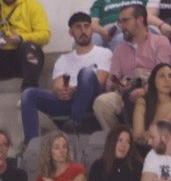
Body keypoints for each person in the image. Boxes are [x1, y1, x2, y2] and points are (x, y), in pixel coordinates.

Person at [22, 12, 114, 143]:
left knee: (86, 73)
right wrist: (61, 90)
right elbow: (57, 84)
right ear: (71, 32)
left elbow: (100, 81)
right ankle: (31, 144)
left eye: (86, 26)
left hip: (92, 99)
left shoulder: (104, 53)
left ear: (91, 30)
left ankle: (74, 123)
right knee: (28, 94)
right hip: (68, 101)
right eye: (78, 27)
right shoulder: (63, 59)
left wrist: (76, 90)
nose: (83, 31)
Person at [92, 3, 171, 132]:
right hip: (126, 91)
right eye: (120, 22)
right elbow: (111, 82)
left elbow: (164, 75)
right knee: (101, 103)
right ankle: (120, 138)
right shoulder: (120, 49)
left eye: (125, 21)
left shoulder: (160, 42)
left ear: (140, 20)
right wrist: (119, 85)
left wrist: (145, 90)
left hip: (153, 90)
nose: (122, 26)